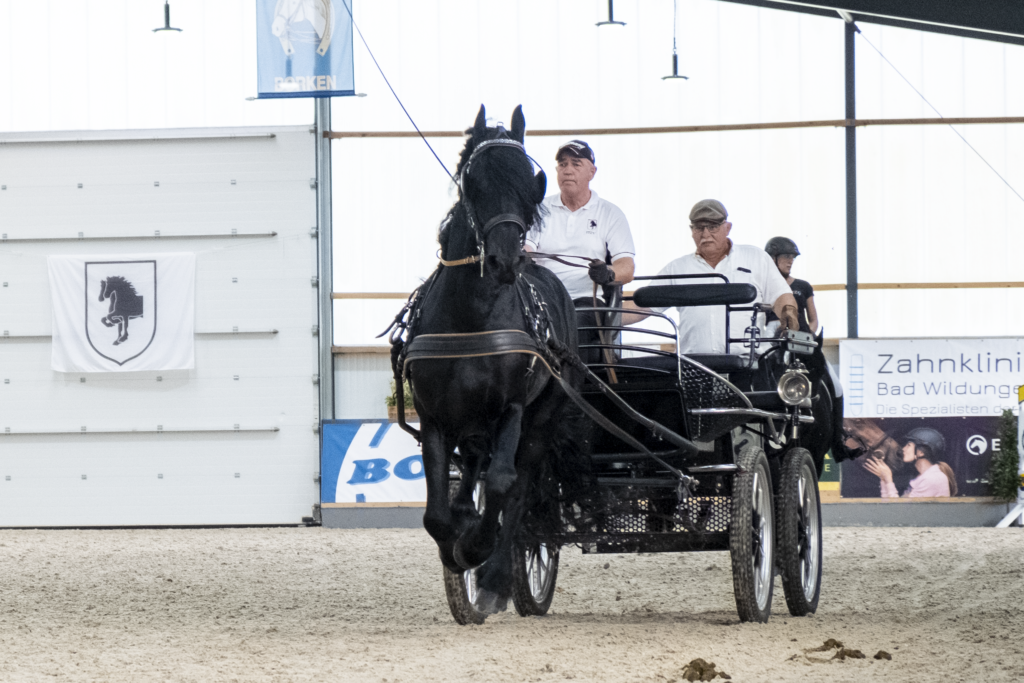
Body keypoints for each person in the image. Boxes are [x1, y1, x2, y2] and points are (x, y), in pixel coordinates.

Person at [624, 199, 798, 356]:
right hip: (694, 368)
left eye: (713, 227)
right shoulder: (677, 268)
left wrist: (788, 315)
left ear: (727, 227)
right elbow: (642, 305)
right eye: (699, 228)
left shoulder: (756, 258)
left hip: (748, 365)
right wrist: (602, 315)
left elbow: (781, 296)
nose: (705, 234)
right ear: (691, 231)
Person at [525, 140, 636, 362]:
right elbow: (526, 251)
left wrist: (608, 273)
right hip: (542, 298)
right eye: (562, 164)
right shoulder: (539, 210)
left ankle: (572, 388)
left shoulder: (610, 213)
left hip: (586, 300)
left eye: (576, 164)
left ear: (592, 172)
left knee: (572, 322)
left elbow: (627, 268)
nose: (567, 170)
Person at [863, 427, 958, 498]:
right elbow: (889, 508)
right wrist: (884, 479)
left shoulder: (933, 479)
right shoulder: (923, 477)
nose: (903, 449)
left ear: (920, 452)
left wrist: (888, 479)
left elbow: (902, 513)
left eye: (908, 445)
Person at [764, 237, 817, 335]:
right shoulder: (764, 286)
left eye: (793, 257)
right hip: (771, 334)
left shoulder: (803, 286)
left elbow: (813, 320)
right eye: (787, 256)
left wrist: (809, 336)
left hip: (798, 332)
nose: (791, 261)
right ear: (773, 258)